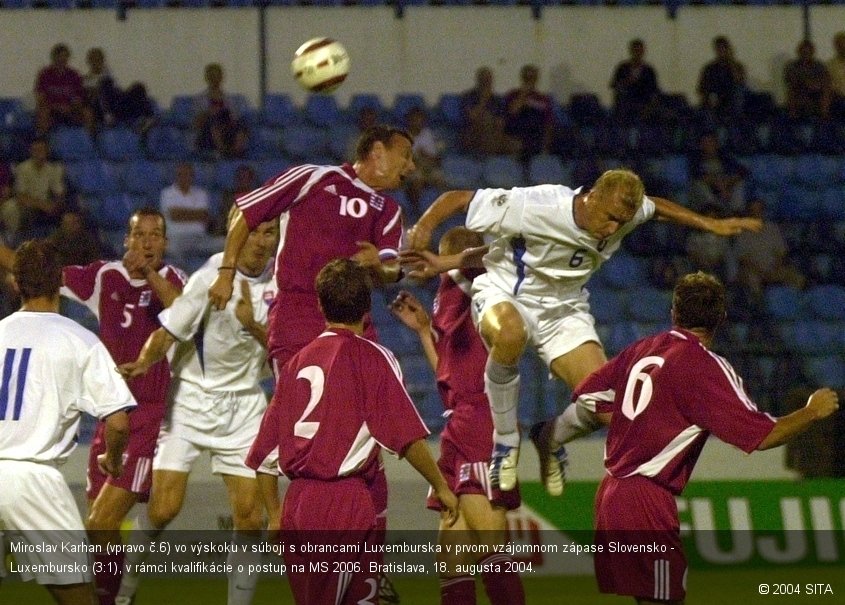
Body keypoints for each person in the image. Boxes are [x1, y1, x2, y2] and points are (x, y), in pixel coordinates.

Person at [404, 168, 762, 495]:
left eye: (619, 223)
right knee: (510, 334)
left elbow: (657, 207)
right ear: (592, 195)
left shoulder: (624, 211)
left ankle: (550, 437)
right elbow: (459, 198)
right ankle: (505, 443)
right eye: (608, 218)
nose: (611, 230)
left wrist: (709, 224)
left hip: (564, 310)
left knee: (610, 409)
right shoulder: (540, 204)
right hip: (506, 291)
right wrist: (423, 228)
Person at [208, 124, 415, 603]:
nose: (409, 167)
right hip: (300, 315)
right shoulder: (311, 179)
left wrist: (379, 266)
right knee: (303, 438)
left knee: (369, 451)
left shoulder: (388, 209)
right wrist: (224, 269)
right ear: (376, 151)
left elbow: (389, 266)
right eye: (403, 156)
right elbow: (246, 210)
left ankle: (369, 569)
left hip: (357, 323)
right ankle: (291, 532)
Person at [572, 271, 839, 604]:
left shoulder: (644, 348)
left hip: (610, 493)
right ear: (722, 318)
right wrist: (812, 411)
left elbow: (587, 394)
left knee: (652, 598)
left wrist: (636, 422)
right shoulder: (704, 366)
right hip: (646, 499)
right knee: (664, 599)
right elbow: (764, 436)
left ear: (674, 312)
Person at [246, 258, 458, 605]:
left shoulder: (297, 363)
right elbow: (405, 436)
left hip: (297, 503)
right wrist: (439, 486)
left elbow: (265, 455)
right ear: (366, 308)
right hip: (343, 501)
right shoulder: (373, 357)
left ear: (319, 304)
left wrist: (275, 515)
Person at [113, 216, 280, 605]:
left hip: (243, 405)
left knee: (249, 518)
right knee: (165, 507)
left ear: (277, 238)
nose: (259, 240)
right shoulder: (210, 276)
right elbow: (170, 329)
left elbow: (286, 351)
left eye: (268, 232)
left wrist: (252, 325)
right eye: (252, 230)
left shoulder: (283, 284)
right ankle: (124, 595)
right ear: (236, 232)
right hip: (189, 400)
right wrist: (143, 362)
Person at [390, 227, 525, 605]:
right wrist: (423, 332)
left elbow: (496, 252)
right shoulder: (445, 297)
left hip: (483, 420)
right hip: (458, 421)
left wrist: (446, 264)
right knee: (452, 557)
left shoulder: (477, 283)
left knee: (489, 543)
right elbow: (448, 371)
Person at [0, 239, 135, 605]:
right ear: (60, 280)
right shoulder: (79, 340)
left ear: (15, 283)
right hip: (34, 480)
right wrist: (115, 458)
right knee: (78, 598)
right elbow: (119, 423)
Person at [61, 208, 185, 605]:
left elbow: (183, 314)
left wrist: (149, 274)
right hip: (108, 415)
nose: (147, 242)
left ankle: (110, 599)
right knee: (99, 528)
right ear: (126, 240)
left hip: (149, 418)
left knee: (101, 522)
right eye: (139, 234)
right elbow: (39, 273)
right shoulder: (105, 276)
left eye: (155, 235)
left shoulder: (173, 279)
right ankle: (116, 597)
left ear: (164, 243)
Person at [733, 198, 805, 304]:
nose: (757, 214)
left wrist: (774, 270)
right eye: (753, 211)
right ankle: (760, 309)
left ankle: (796, 306)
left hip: (774, 268)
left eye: (759, 211)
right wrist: (761, 272)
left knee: (797, 278)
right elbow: (744, 259)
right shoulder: (742, 233)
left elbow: (780, 253)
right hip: (754, 270)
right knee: (751, 280)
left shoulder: (773, 228)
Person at [1, 138, 66, 246]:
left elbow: (59, 192)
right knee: (10, 208)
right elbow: (20, 195)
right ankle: (15, 242)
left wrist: (55, 204)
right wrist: (43, 205)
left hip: (45, 204)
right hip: (27, 204)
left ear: (47, 151)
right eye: (35, 150)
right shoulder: (23, 168)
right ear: (31, 151)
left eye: (41, 150)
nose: (38, 153)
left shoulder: (53, 169)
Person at [158, 162, 216, 264]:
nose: (184, 177)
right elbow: (175, 216)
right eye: (181, 174)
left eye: (188, 174)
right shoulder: (167, 193)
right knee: (171, 249)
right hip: (176, 237)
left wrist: (182, 213)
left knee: (224, 244)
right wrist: (195, 215)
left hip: (199, 237)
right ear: (176, 176)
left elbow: (203, 215)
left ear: (192, 176)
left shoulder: (201, 193)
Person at [34, 43, 94, 136]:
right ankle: (42, 142)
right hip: (51, 110)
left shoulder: (74, 75)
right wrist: (56, 106)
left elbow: (79, 98)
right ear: (54, 57)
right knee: (43, 113)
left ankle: (88, 142)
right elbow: (41, 98)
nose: (62, 59)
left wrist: (70, 106)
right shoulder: (44, 74)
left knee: (87, 113)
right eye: (60, 56)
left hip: (70, 109)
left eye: (65, 56)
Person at [193, 63, 248, 159]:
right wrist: (208, 113)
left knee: (242, 124)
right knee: (212, 122)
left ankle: (236, 151)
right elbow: (196, 124)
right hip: (207, 134)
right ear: (207, 78)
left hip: (226, 131)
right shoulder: (200, 99)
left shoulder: (229, 99)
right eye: (212, 76)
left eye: (217, 76)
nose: (215, 79)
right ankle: (223, 151)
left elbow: (234, 118)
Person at [687, 131, 748, 214]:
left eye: (711, 142)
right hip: (708, 192)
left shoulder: (725, 158)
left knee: (739, 184)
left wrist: (728, 182)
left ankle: (736, 212)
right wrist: (719, 185)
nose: (708, 145)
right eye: (705, 142)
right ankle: (713, 209)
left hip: (726, 190)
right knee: (699, 184)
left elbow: (742, 171)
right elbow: (698, 176)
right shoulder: (696, 160)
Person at [503, 64, 554, 162]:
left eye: (532, 78)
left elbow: (548, 123)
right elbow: (512, 111)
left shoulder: (543, 99)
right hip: (516, 135)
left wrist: (546, 146)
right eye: (527, 78)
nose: (530, 80)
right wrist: (524, 93)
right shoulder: (512, 95)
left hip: (535, 137)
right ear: (522, 78)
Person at [610, 39, 661, 124]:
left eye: (639, 51)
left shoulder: (649, 70)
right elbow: (615, 85)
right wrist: (626, 82)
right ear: (631, 51)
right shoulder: (622, 68)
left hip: (644, 103)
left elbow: (654, 90)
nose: (637, 53)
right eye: (635, 50)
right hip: (626, 102)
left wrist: (650, 105)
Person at [696, 36, 747, 121]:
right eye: (719, 49)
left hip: (731, 102)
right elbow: (701, 89)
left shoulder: (737, 67)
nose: (721, 52)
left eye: (724, 48)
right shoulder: (709, 68)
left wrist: (731, 62)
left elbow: (740, 83)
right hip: (714, 102)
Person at [784, 39, 832, 121]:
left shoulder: (819, 65)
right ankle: (793, 117)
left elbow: (825, 80)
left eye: (808, 52)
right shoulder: (792, 66)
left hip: (817, 94)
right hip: (799, 93)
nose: (805, 55)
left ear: (812, 52)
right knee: (792, 92)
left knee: (826, 91)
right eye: (803, 52)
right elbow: (792, 82)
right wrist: (807, 83)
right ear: (798, 52)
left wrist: (813, 84)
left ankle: (824, 116)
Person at [826, 31, 845, 118]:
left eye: (844, 44)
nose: (842, 47)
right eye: (840, 45)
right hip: (838, 99)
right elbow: (828, 84)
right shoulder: (830, 64)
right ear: (836, 46)